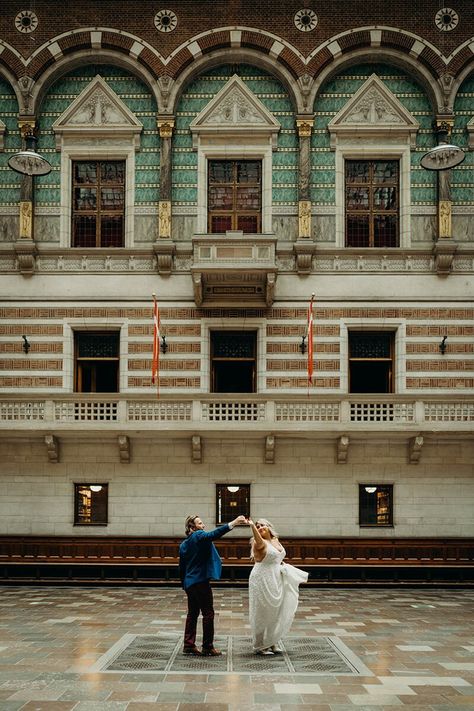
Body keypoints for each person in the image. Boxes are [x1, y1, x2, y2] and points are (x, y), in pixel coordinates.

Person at [179, 513, 248, 656]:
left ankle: (189, 644)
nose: (203, 526)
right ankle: (207, 647)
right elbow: (214, 534)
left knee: (192, 614)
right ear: (192, 527)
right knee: (208, 613)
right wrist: (233, 522)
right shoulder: (198, 536)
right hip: (200, 582)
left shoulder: (184, 544)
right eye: (200, 523)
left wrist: (184, 584)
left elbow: (182, 567)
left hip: (190, 583)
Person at [248, 518, 308, 655]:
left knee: (276, 609)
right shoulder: (258, 542)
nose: (260, 527)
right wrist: (252, 526)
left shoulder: (275, 540)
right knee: (262, 610)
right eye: (257, 526)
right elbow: (258, 540)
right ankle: (259, 645)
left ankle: (271, 641)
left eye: (262, 525)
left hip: (276, 576)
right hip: (261, 577)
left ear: (269, 527)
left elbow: (278, 556)